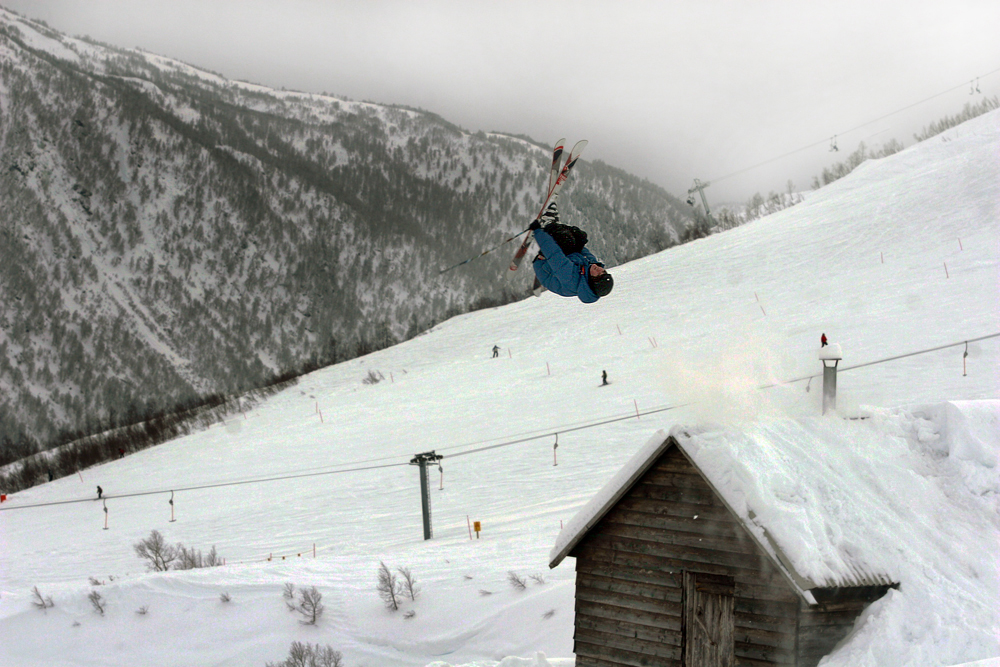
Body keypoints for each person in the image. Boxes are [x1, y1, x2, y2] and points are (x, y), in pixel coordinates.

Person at [528, 203, 613, 303]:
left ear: (591, 281)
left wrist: (538, 232)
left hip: (545, 264)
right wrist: (576, 238)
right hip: (566, 259)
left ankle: (547, 226)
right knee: (580, 236)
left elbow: (553, 254)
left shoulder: (570, 279)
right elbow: (581, 249)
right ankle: (554, 228)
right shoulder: (591, 266)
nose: (600, 269)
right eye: (603, 271)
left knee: (565, 240)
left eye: (598, 275)